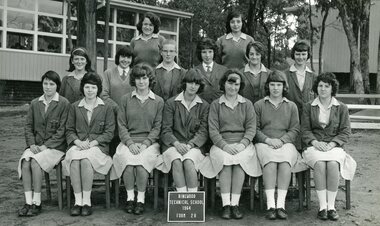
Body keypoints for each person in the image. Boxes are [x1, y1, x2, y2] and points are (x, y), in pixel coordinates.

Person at [199, 69, 261, 220]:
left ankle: (235, 204)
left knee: (239, 161)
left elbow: (251, 128)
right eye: (230, 83)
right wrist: (224, 146)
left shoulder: (247, 104)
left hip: (242, 144)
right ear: (224, 83)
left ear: (240, 86)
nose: (233, 87)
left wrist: (242, 144)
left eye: (236, 84)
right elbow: (213, 130)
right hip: (221, 144)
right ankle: (226, 205)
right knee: (225, 162)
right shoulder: (215, 105)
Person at [301, 72, 356, 221]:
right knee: (319, 164)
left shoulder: (342, 107)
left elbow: (345, 131)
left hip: (334, 147)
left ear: (332, 88)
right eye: (320, 86)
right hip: (314, 146)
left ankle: (331, 207)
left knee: (332, 164)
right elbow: (305, 130)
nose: (323, 89)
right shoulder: (308, 106)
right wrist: (315, 142)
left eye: (327, 86)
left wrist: (332, 143)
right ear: (316, 88)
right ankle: (322, 207)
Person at [112, 63, 164, 215]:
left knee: (142, 163)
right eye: (138, 78)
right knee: (127, 161)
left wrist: (146, 144)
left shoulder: (158, 101)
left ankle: (140, 199)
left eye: (144, 78)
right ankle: (130, 198)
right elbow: (121, 125)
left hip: (149, 144)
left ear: (150, 80)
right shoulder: (125, 99)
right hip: (128, 142)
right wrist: (129, 143)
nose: (141, 81)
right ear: (133, 80)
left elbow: (157, 127)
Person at [254, 70, 306, 220]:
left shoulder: (291, 106)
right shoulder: (259, 105)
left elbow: (295, 128)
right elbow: (255, 129)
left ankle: (281, 205)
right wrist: (268, 140)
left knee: (284, 161)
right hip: (265, 143)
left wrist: (282, 141)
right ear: (268, 86)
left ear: (284, 87)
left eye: (279, 85)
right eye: (272, 84)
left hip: (286, 143)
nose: (275, 88)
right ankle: (271, 205)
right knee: (270, 161)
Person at [18, 71, 70, 217]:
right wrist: (32, 144)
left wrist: (45, 146)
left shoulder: (64, 103)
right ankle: (28, 202)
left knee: (35, 162)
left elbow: (63, 130)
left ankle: (37, 202)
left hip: (55, 148)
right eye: (45, 83)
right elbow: (28, 127)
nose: (48, 87)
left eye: (51, 84)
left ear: (57, 86)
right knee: (25, 162)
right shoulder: (35, 103)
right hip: (36, 146)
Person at [63, 72, 115, 217]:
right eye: (87, 87)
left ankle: (86, 202)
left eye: (93, 87)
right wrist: (77, 141)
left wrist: (93, 143)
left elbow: (109, 132)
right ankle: (77, 202)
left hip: (98, 147)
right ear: (83, 88)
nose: (90, 90)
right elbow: (69, 129)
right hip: (78, 145)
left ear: (98, 89)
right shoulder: (74, 107)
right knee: (74, 159)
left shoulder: (107, 107)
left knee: (86, 161)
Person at [156, 69, 209, 192]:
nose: (193, 86)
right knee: (176, 161)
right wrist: (176, 144)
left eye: (196, 84)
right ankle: (182, 197)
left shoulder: (204, 105)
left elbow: (203, 131)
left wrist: (190, 145)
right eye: (190, 82)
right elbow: (165, 129)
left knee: (189, 161)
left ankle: (192, 198)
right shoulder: (171, 103)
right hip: (172, 145)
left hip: (194, 146)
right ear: (184, 83)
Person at [101, 46, 134, 156]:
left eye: (128, 57)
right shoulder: (108, 73)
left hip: (130, 117)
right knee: (114, 149)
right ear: (117, 57)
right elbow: (103, 94)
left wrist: (127, 111)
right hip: (112, 116)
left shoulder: (135, 74)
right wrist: (118, 109)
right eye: (122, 56)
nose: (125, 60)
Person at [194, 38, 228, 104]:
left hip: (219, 108)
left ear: (214, 52)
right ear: (200, 53)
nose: (207, 55)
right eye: (204, 52)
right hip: (200, 108)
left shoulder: (224, 70)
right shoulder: (194, 71)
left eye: (210, 52)